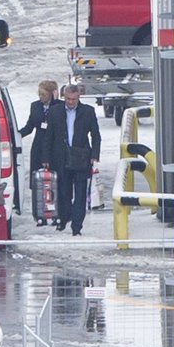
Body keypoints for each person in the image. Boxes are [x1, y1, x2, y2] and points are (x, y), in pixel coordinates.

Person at [45, 84, 101, 236]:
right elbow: (49, 136)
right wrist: (46, 158)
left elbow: (96, 135)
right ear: (64, 97)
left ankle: (77, 226)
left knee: (81, 193)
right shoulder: (55, 112)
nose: (70, 102)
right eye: (68, 99)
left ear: (79, 97)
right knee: (64, 191)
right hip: (61, 157)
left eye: (73, 99)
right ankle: (64, 218)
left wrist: (94, 155)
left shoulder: (88, 112)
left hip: (81, 157)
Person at [18, 79, 62, 225]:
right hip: (39, 147)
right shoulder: (35, 106)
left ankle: (57, 214)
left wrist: (55, 101)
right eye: (39, 94)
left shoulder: (60, 106)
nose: (40, 97)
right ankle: (39, 215)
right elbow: (30, 126)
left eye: (43, 94)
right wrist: (16, 136)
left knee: (56, 182)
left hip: (55, 148)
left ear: (51, 94)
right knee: (37, 183)